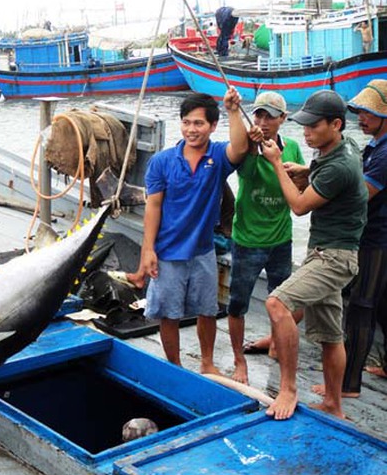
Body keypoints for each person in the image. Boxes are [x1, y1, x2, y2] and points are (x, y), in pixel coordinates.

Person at [260, 90, 367, 420]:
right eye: (303, 125)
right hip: (333, 251)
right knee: (331, 336)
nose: (305, 132)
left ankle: (287, 389)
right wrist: (307, 172)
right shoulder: (343, 146)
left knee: (277, 304)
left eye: (312, 126)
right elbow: (329, 174)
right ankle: (334, 404)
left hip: (332, 258)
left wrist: (277, 162)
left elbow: (299, 206)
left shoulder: (341, 165)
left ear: (335, 124)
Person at [138, 88, 250, 374]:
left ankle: (207, 362)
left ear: (212, 126)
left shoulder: (217, 156)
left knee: (207, 309)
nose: (191, 129)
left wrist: (233, 111)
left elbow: (239, 148)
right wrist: (148, 249)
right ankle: (174, 365)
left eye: (198, 123)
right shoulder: (161, 162)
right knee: (168, 313)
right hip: (167, 251)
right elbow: (153, 207)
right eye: (186, 122)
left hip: (203, 250)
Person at [312, 79, 387, 397]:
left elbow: (359, 195)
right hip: (374, 234)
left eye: (369, 112)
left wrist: (317, 188)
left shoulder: (384, 155)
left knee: (361, 306)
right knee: (383, 307)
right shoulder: (374, 147)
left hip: (377, 240)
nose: (361, 117)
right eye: (359, 111)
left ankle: (349, 384)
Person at [227, 92, 305, 384]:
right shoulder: (248, 148)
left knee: (284, 303)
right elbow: (244, 171)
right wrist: (251, 145)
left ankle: (274, 341)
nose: (262, 121)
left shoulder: (294, 148)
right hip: (247, 240)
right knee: (237, 304)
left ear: (283, 119)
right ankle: (239, 361)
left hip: (281, 240)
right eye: (258, 115)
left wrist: (280, 161)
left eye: (270, 116)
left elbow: (298, 188)